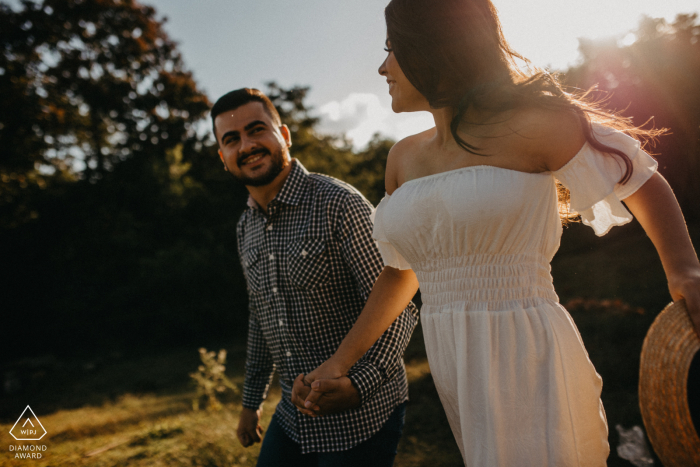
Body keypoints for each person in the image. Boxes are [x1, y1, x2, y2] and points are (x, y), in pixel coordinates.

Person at [297, 0, 700, 465]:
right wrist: (339, 362)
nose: (382, 66)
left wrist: (684, 268)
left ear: (432, 50)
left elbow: (641, 178)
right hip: (454, 357)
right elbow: (402, 271)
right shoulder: (402, 159)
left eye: (392, 49)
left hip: (527, 343)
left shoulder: (531, 126)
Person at [212, 88, 418, 467]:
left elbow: (400, 305)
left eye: (257, 129)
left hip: (364, 414)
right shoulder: (245, 228)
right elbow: (260, 317)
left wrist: (360, 384)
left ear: (284, 135)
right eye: (231, 139)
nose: (247, 145)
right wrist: (251, 403)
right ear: (223, 157)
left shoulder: (340, 205)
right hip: (292, 418)